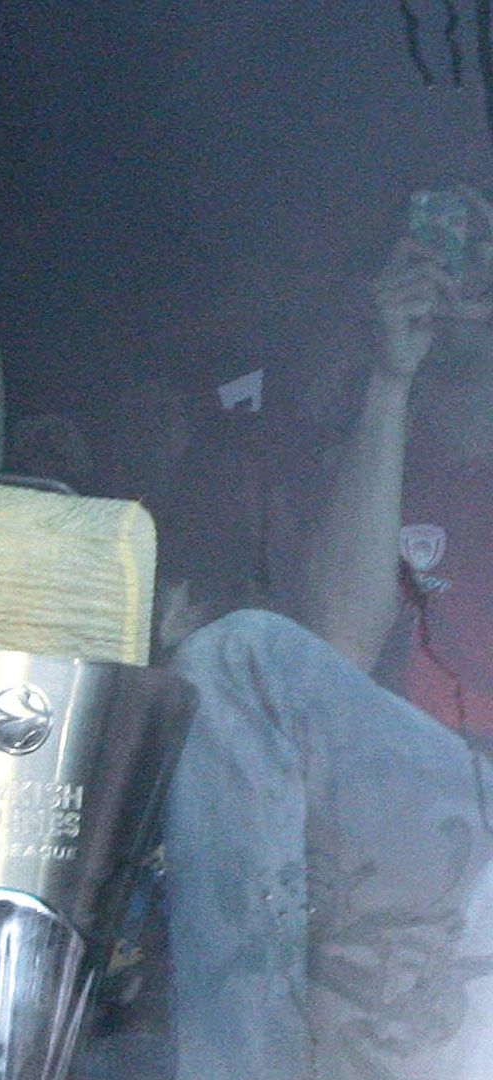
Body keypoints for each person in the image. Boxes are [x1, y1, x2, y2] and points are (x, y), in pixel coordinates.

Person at [157, 189, 493, 1080]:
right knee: (237, 659)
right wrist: (392, 377)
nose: (468, 270)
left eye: (486, 239)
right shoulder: (373, 455)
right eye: (448, 240)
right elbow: (335, 646)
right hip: (405, 809)